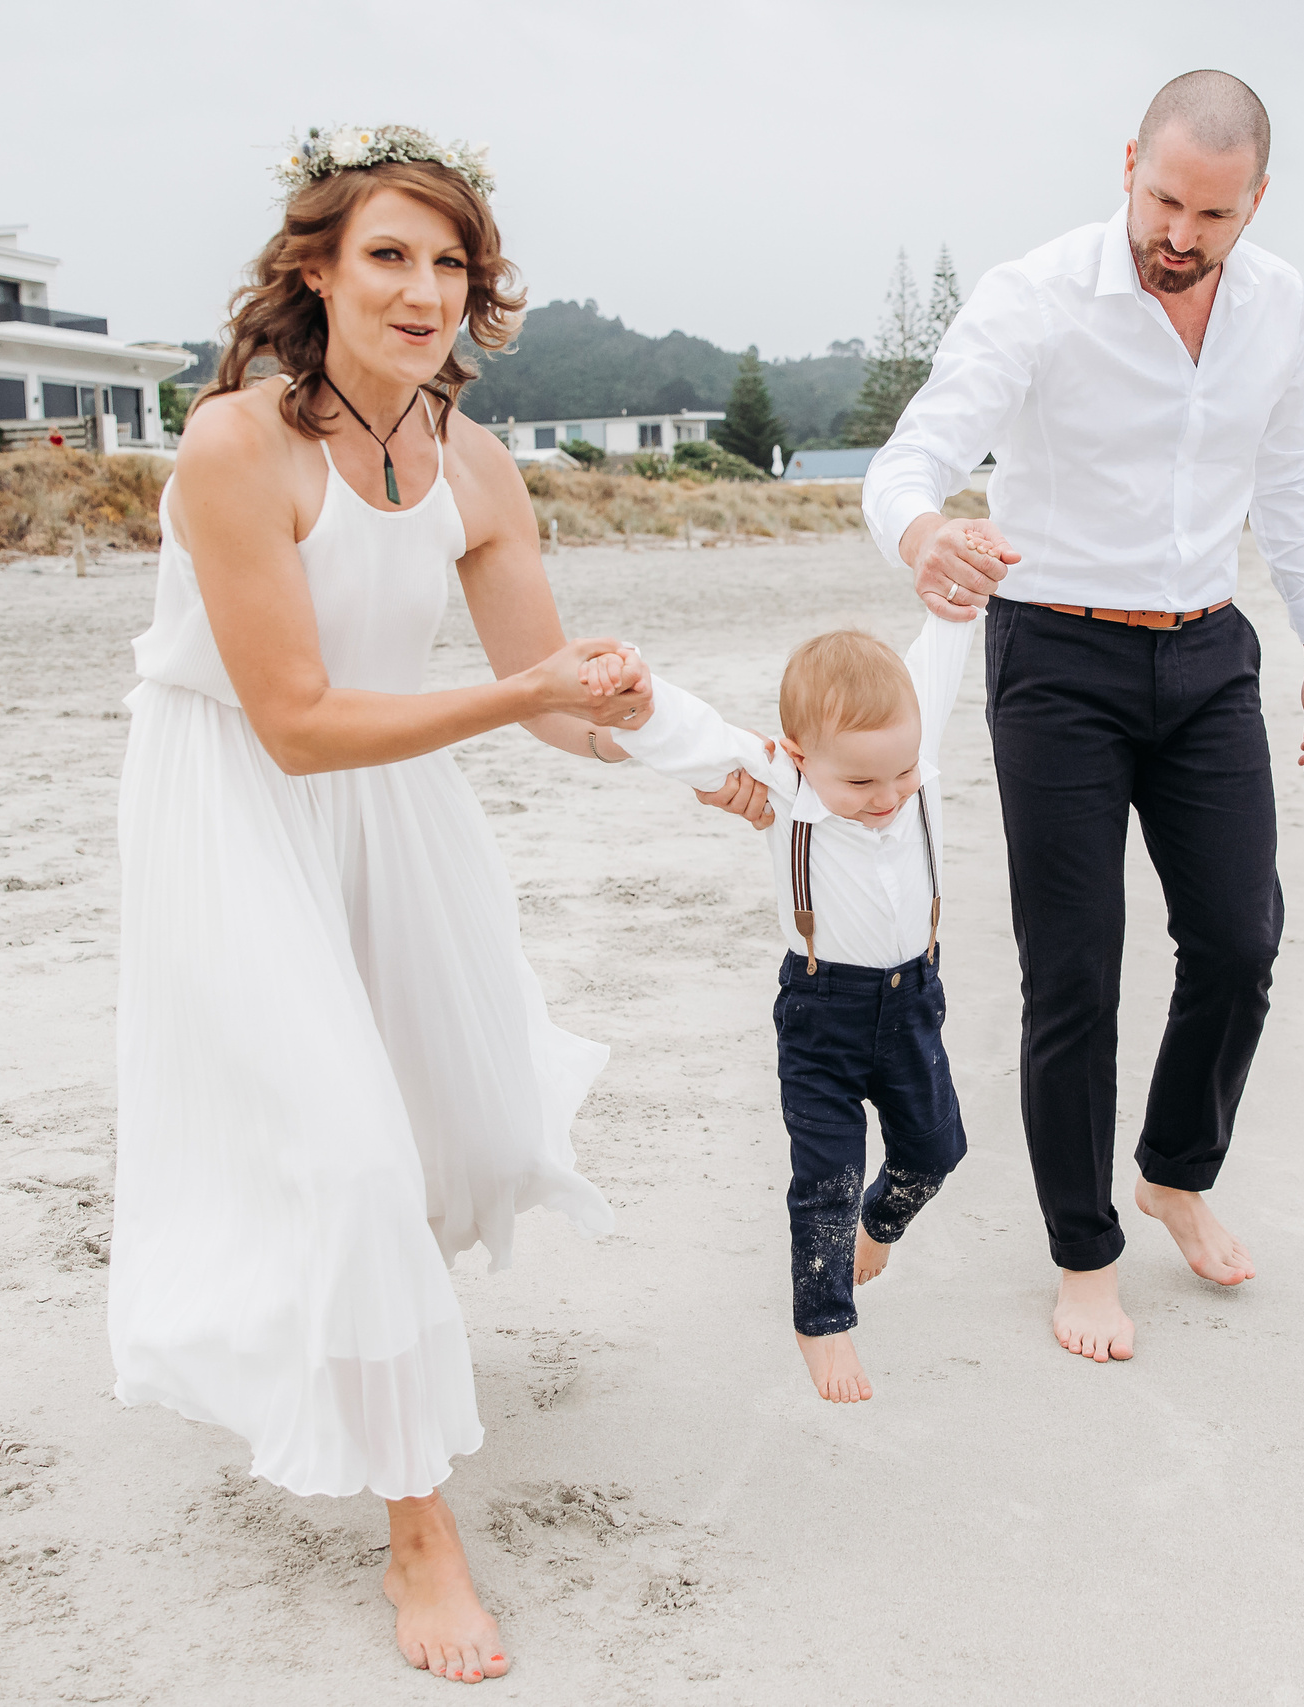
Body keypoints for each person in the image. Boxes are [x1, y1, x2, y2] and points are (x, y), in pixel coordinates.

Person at [110, 123, 652, 1687]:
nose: (424, 289)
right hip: (235, 791)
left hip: (393, 786)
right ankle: (420, 1523)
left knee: (467, 1135)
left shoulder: (476, 464)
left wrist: (705, 753)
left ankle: (363, 1312)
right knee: (350, 1151)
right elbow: (292, 716)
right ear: (318, 272)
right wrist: (524, 694)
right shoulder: (235, 446)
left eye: (450, 263)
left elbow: (555, 702)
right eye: (390, 257)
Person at [861, 70, 1304, 1363]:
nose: (1179, 235)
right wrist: (922, 532)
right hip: (1059, 659)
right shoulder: (1037, 295)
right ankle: (1086, 1248)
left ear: (1257, 203)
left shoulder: (1280, 307)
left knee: (1242, 941)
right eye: (1162, 199)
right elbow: (917, 454)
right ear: (1128, 161)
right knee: (1073, 968)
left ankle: (1176, 1169)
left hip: (1207, 656)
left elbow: (1288, 479)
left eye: (1213, 214)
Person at [600, 604, 981, 1403]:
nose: (888, 796)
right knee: (827, 1177)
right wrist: (635, 691)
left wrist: (958, 592)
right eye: (860, 780)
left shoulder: (912, 753)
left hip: (914, 999)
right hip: (822, 1012)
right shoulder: (782, 777)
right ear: (804, 758)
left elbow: (940, 654)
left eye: (902, 774)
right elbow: (694, 733)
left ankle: (881, 1224)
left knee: (935, 1152)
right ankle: (823, 1320)